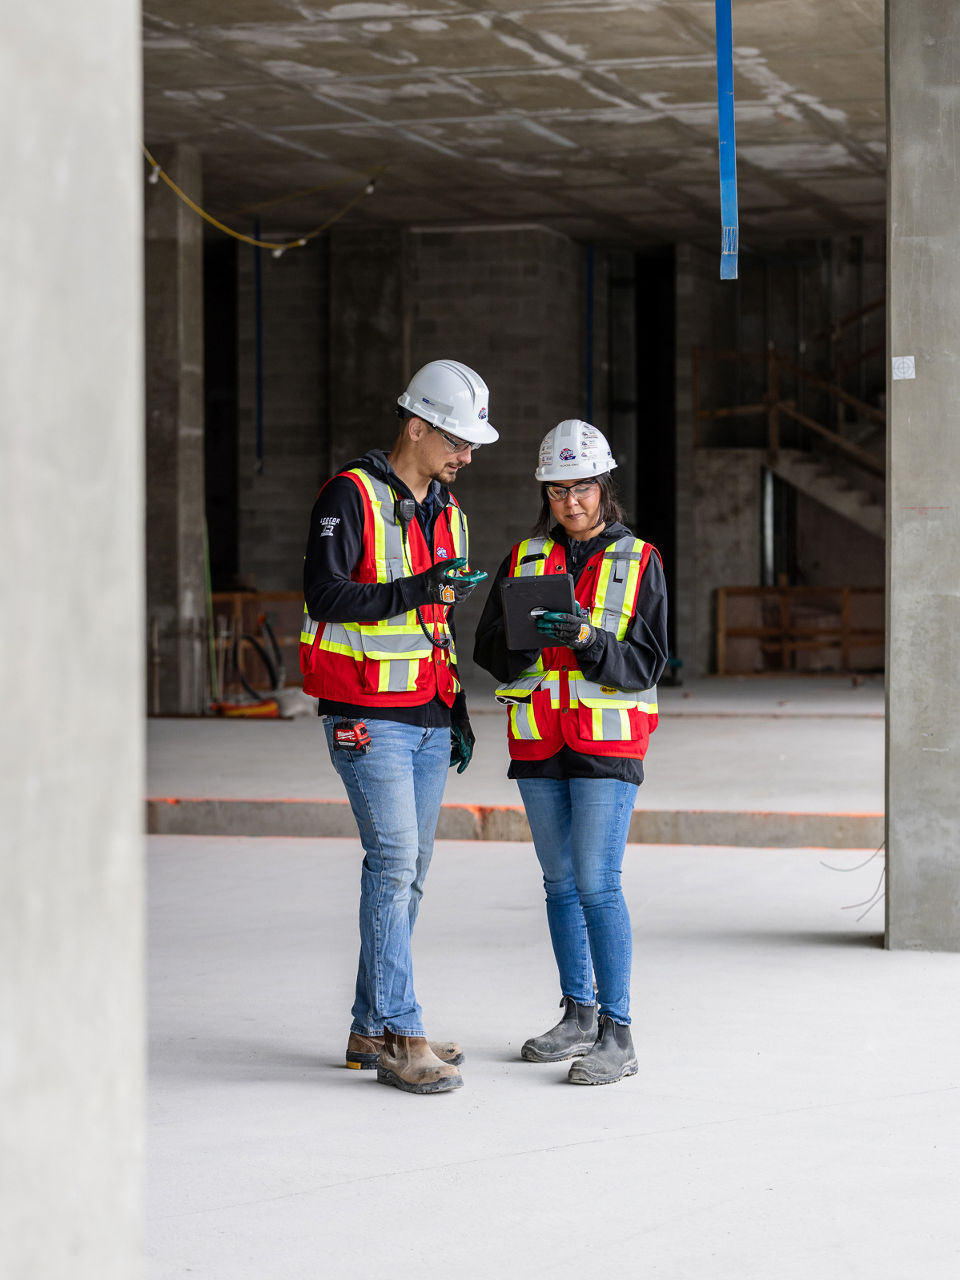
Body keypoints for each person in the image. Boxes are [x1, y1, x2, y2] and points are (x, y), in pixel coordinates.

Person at [300, 359, 497, 1095]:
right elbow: (324, 593)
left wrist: (457, 709)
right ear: (416, 426)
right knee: (392, 865)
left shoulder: (449, 511)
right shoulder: (347, 495)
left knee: (409, 875)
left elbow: (436, 623)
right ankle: (402, 1034)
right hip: (365, 714)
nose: (465, 457)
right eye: (456, 440)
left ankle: (366, 1026)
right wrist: (417, 588)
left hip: (425, 716)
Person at [474, 419, 668, 1086]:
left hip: (606, 744)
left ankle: (619, 1033)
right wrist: (524, 644)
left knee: (595, 882)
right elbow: (489, 650)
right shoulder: (526, 559)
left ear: (603, 487)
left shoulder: (639, 561)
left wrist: (588, 638)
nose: (570, 502)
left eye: (581, 487)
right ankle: (578, 1015)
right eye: (557, 491)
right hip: (539, 741)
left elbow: (646, 662)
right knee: (559, 883)